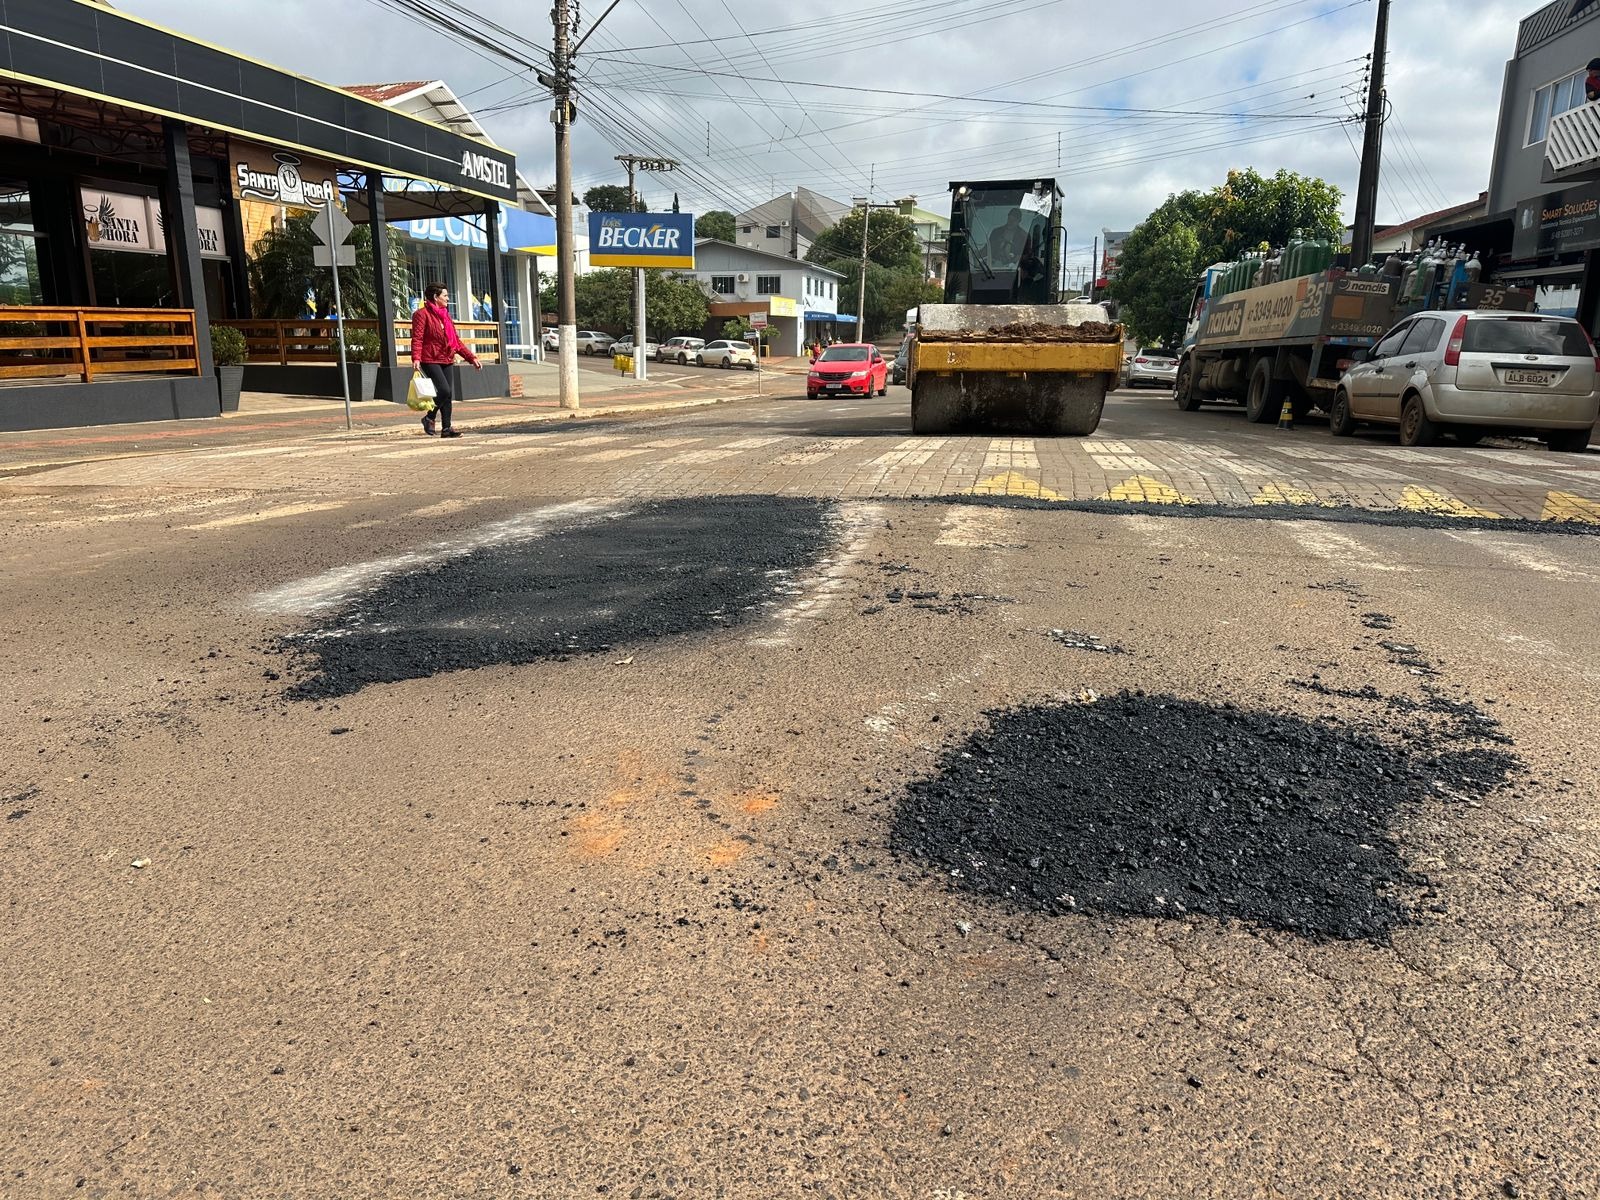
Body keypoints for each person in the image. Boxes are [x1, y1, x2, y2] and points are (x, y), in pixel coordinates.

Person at [410, 282, 482, 437]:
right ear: (436, 297)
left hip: (447, 357)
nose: (448, 298)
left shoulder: (445, 315)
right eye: (445, 295)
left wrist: (471, 358)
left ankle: (446, 429)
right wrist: (416, 357)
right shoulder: (421, 315)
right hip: (430, 358)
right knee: (444, 390)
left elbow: (455, 341)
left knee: (448, 395)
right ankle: (429, 417)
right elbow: (417, 338)